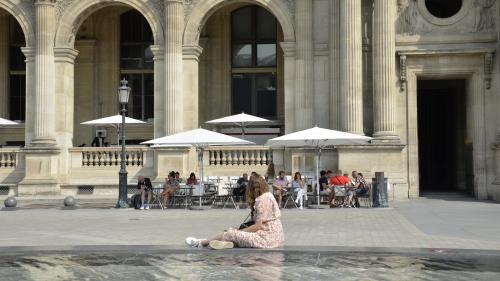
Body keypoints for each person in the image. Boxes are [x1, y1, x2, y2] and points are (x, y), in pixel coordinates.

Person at [185, 175, 284, 249]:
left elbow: (257, 226)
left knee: (230, 233)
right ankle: (229, 244)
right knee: (234, 233)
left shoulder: (260, 200)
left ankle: (201, 243)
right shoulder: (269, 195)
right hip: (277, 236)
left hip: (266, 239)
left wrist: (239, 231)